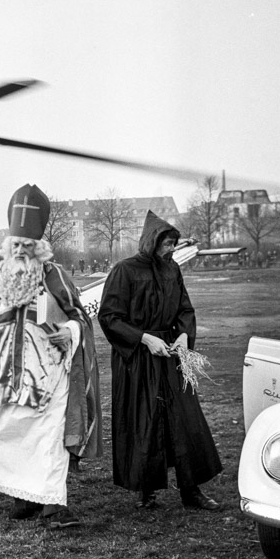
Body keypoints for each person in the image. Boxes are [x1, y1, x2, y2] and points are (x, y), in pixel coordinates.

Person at [0, 184, 102, 530]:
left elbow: (79, 317)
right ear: (7, 246)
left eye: (27, 245)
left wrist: (71, 331)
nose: (21, 250)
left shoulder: (55, 277)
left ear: (39, 248)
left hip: (47, 373)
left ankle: (51, 506)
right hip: (0, 375)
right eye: (15, 245)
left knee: (47, 437)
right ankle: (24, 497)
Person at [98, 211, 221, 511]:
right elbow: (110, 317)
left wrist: (183, 336)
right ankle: (145, 489)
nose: (169, 249)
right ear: (151, 242)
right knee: (145, 421)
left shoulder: (172, 270)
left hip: (171, 357)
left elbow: (185, 309)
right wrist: (144, 338)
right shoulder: (124, 270)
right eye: (165, 243)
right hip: (138, 359)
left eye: (173, 244)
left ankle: (191, 490)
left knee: (184, 421)